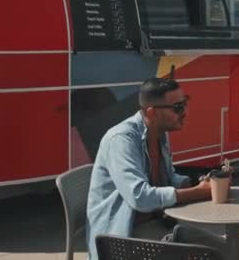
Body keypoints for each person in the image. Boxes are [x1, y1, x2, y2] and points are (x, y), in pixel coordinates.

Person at [85, 78, 215, 260]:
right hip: (121, 239)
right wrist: (196, 193)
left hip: (154, 225)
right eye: (178, 107)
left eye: (185, 103)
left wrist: (197, 182)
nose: (185, 112)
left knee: (216, 246)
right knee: (206, 253)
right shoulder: (121, 140)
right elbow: (140, 197)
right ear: (153, 113)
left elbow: (167, 179)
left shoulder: (159, 133)